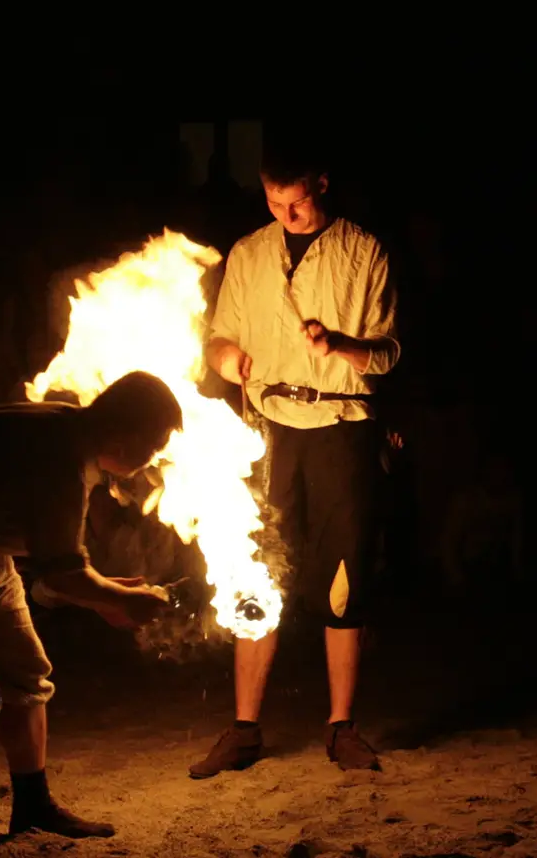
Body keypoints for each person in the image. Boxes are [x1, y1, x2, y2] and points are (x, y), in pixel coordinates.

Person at [189, 136, 400, 778]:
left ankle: (341, 728)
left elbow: (388, 354)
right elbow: (218, 339)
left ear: (323, 185)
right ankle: (244, 729)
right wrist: (229, 360)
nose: (288, 215)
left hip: (341, 426)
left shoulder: (365, 252)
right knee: (254, 568)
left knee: (344, 579)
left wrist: (340, 345)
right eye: (276, 202)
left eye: (298, 202)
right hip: (268, 430)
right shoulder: (249, 254)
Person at [0, 370, 179, 838]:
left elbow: (54, 563)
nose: (155, 457)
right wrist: (122, 597)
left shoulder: (64, 423)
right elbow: (63, 571)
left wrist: (104, 597)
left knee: (26, 671)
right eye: (156, 443)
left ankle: (32, 805)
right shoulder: (64, 463)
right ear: (126, 439)